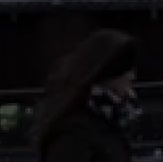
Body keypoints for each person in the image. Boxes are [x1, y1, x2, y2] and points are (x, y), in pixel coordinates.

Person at [30, 29, 141, 162]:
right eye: (127, 70)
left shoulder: (109, 122)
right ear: (108, 73)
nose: (132, 77)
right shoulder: (75, 134)